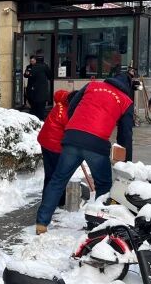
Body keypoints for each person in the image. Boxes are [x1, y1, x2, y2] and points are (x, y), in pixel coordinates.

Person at [35, 78, 133, 234]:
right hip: (96, 143)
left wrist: (77, 125)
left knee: (58, 180)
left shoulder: (93, 85)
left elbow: (73, 105)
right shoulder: (126, 101)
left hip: (72, 136)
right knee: (103, 185)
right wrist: (127, 161)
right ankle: (98, 224)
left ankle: (41, 223)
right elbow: (125, 133)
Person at [37, 89, 72, 205]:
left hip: (45, 142)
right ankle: (57, 201)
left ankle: (48, 199)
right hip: (55, 146)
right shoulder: (68, 112)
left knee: (50, 173)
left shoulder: (59, 105)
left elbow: (58, 93)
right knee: (59, 174)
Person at [23, 54, 51, 120]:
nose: (32, 62)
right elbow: (26, 75)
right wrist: (27, 74)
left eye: (33, 61)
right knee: (34, 105)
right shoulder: (29, 67)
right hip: (32, 88)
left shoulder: (41, 67)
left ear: (36, 60)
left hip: (38, 90)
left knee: (38, 106)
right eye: (31, 61)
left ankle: (37, 118)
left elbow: (49, 76)